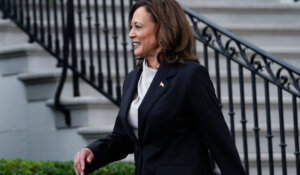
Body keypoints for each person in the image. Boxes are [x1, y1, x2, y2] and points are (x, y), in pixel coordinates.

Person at [73, 0, 246, 175]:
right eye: (130, 27)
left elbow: (219, 141)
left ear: (162, 29)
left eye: (138, 27)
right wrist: (94, 152)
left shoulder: (190, 76)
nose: (131, 34)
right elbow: (124, 138)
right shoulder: (133, 79)